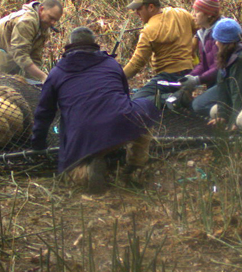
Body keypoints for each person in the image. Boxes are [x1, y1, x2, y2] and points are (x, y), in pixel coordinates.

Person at [31, 27, 160, 194]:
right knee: (145, 107)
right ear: (94, 45)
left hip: (82, 135)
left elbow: (44, 113)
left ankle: (86, 172)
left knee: (68, 172)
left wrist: (38, 144)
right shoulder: (111, 64)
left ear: (68, 46)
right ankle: (135, 166)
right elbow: (124, 95)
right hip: (122, 122)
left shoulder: (56, 73)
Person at [123, 0, 197, 105]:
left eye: (139, 9)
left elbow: (137, 63)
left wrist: (118, 78)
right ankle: (179, 97)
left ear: (151, 7)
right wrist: (194, 48)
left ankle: (176, 98)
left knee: (137, 101)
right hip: (190, 73)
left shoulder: (148, 30)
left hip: (168, 77)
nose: (137, 13)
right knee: (143, 90)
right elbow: (201, 30)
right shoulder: (182, 13)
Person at [0, 0, 63, 82]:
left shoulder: (44, 26)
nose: (53, 23)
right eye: (51, 18)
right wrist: (42, 76)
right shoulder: (27, 22)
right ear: (41, 9)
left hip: (9, 48)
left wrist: (36, 81)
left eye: (55, 20)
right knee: (2, 81)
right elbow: (20, 54)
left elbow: (35, 57)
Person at [178, 0, 223, 115]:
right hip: (214, 82)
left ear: (209, 14)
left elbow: (219, 67)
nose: (193, 15)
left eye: (197, 12)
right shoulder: (203, 32)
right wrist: (190, 77)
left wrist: (197, 80)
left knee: (197, 106)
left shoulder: (220, 32)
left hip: (226, 82)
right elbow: (204, 64)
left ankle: (226, 115)